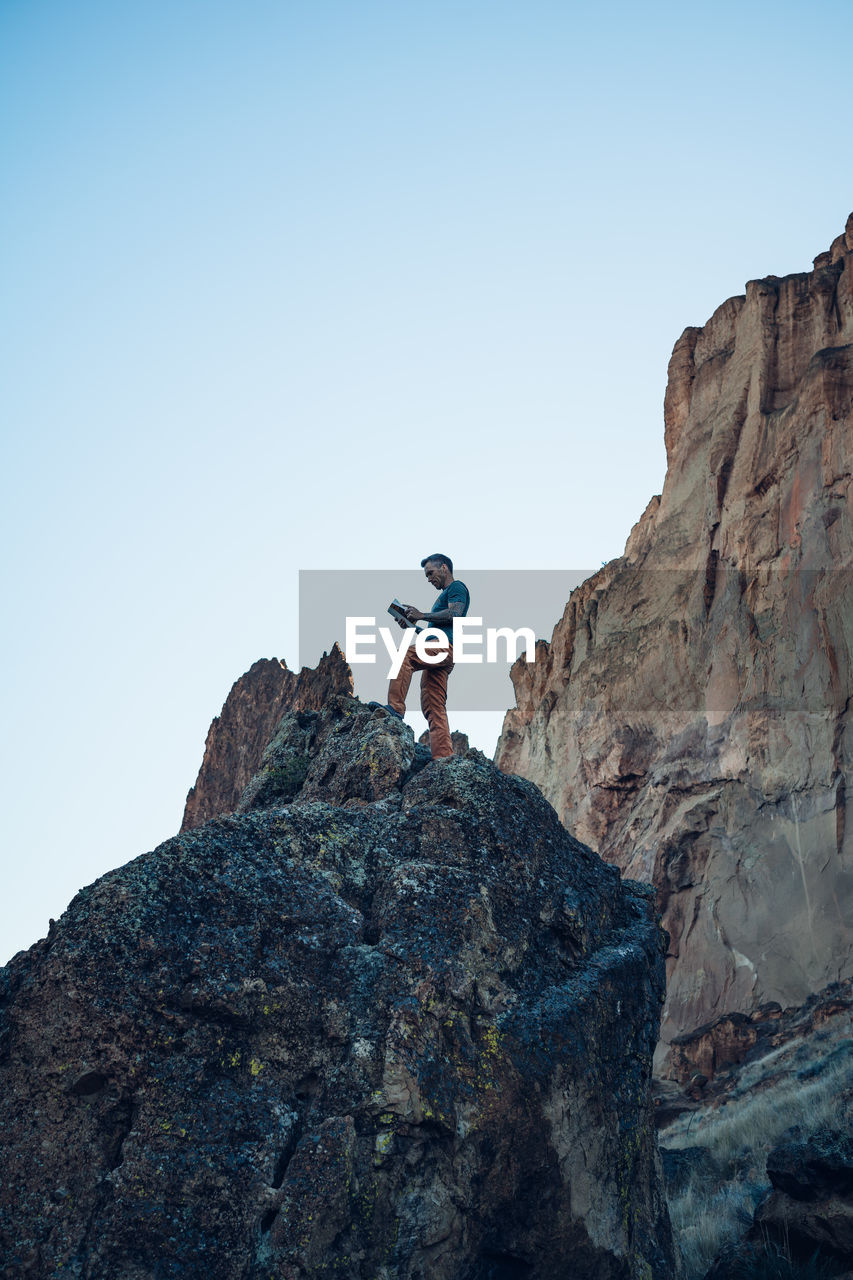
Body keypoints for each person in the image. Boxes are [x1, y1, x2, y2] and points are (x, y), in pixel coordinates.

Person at [384, 554, 470, 759]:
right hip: (440, 648)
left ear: (444, 568)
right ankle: (443, 758)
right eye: (426, 576)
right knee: (433, 705)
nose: (429, 579)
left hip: (444, 647)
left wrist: (422, 615)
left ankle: (394, 709)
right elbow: (432, 634)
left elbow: (456, 614)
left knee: (405, 655)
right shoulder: (443, 597)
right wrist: (412, 625)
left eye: (430, 573)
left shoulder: (456, 587)